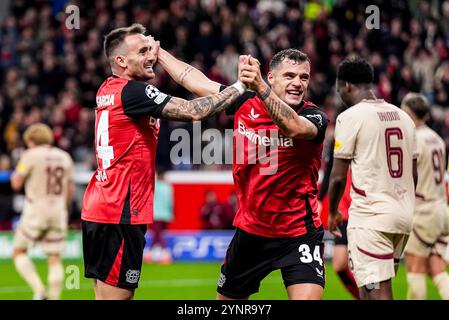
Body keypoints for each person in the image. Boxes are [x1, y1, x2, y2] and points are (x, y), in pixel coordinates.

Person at [81, 24, 248, 300]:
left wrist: (154, 53)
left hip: (99, 206)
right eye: (143, 51)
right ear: (121, 61)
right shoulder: (133, 92)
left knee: (103, 296)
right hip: (120, 212)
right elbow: (195, 110)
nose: (151, 56)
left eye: (151, 50)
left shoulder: (106, 89)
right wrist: (241, 86)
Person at [157, 46, 328, 300]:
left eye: (303, 77)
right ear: (271, 77)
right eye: (289, 76)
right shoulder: (245, 103)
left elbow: (292, 128)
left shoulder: (314, 116)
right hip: (251, 233)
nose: (298, 83)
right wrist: (159, 52)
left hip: (298, 233)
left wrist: (259, 87)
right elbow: (194, 80)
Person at [328, 57, 418, 300]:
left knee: (377, 291)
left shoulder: (351, 117)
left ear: (346, 85)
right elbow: (414, 173)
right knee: (368, 289)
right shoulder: (403, 116)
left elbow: (337, 177)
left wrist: (332, 211)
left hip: (371, 217)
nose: (340, 97)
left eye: (339, 91)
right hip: (403, 215)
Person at [10, 123, 74, 300]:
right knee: (54, 258)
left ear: (31, 141)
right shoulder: (64, 156)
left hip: (35, 211)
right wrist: (65, 209)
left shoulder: (30, 155)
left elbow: (16, 183)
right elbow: (69, 189)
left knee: (19, 251)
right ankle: (54, 297)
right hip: (58, 212)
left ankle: (39, 291)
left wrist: (20, 166)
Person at [400, 93, 449, 300]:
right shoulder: (437, 138)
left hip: (423, 210)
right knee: (437, 268)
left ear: (409, 113)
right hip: (441, 209)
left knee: (415, 270)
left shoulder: (413, 139)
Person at [318, 138, 359, 300]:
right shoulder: (337, 141)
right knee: (340, 265)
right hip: (343, 213)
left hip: (363, 210)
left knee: (366, 268)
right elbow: (329, 174)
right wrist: (320, 200)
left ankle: (374, 296)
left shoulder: (366, 135)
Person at [143, 169, 174, 264]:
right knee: (159, 234)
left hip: (155, 214)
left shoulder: (154, 186)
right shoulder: (168, 187)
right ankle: (158, 254)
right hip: (165, 215)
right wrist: (171, 213)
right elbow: (170, 202)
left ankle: (159, 253)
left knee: (157, 234)